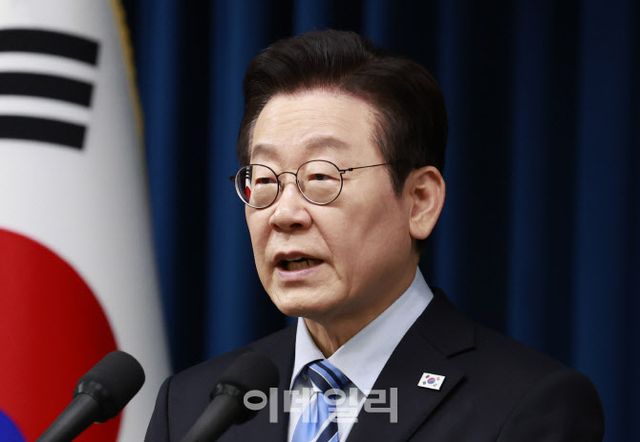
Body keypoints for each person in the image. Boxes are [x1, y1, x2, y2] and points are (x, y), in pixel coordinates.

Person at [146, 30, 604, 441]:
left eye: (321, 177)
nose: (284, 214)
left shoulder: (526, 406)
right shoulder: (193, 407)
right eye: (265, 180)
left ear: (420, 201)